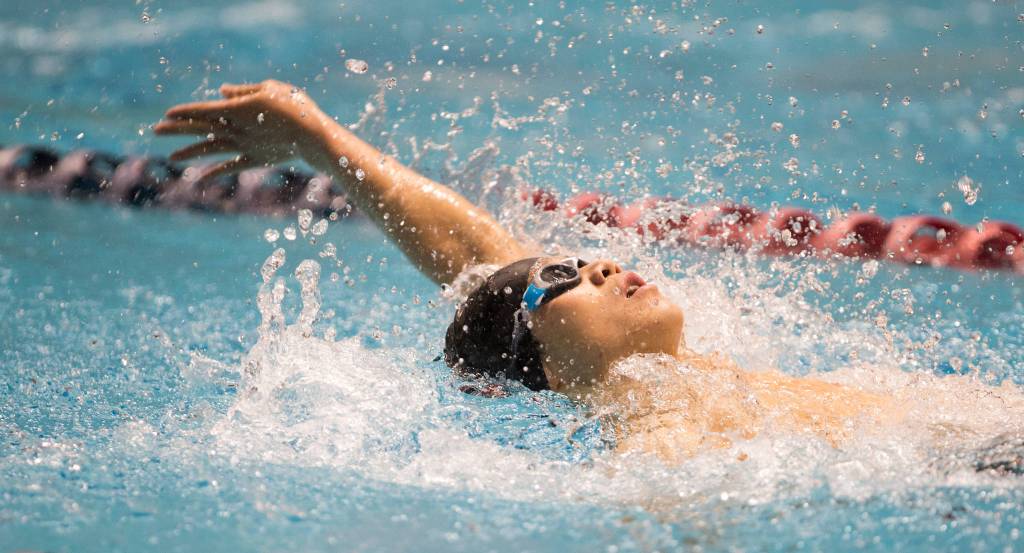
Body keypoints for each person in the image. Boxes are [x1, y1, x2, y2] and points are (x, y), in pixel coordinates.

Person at [152, 80, 955, 465]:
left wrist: (314, 131)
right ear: (543, 365)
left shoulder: (696, 387)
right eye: (564, 279)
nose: (605, 262)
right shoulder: (661, 436)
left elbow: (473, 254)